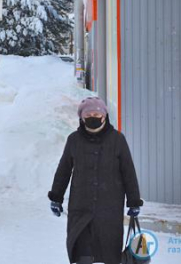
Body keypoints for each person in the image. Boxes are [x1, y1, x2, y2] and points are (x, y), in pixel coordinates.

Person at [48, 97, 143, 264]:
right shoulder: (74, 140)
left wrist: (134, 201)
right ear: (82, 117)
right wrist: (56, 197)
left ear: (104, 115)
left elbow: (128, 171)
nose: (93, 116)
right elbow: (63, 170)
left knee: (109, 252)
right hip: (81, 207)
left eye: (97, 113)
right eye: (89, 114)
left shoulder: (117, 139)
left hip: (109, 208)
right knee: (82, 251)